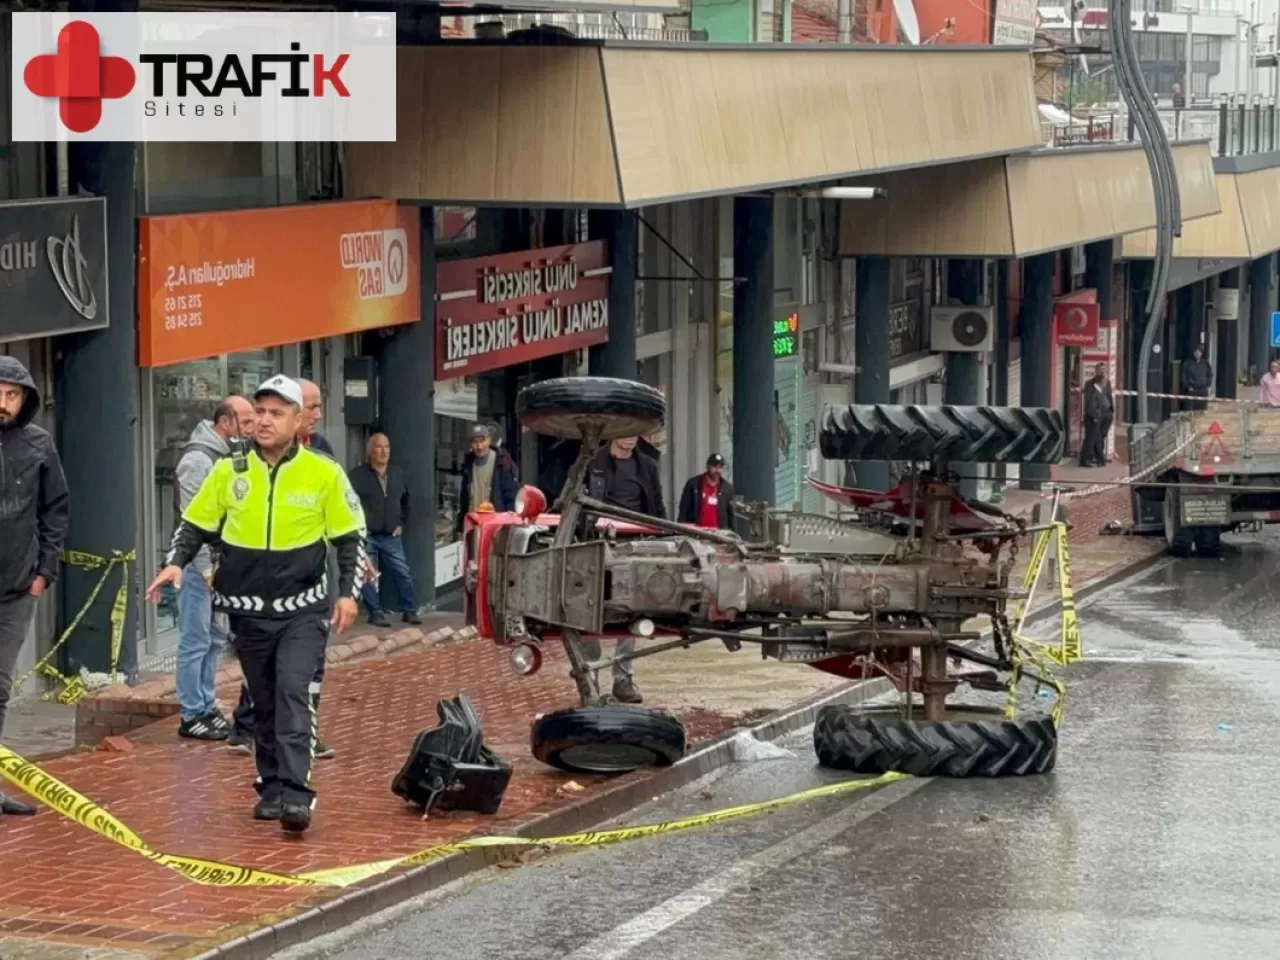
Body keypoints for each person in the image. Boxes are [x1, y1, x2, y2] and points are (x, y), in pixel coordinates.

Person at [146, 375, 367, 835]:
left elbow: (350, 537)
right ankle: (270, 787)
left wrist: (348, 593)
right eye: (259, 412)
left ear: (299, 420)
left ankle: (297, 794)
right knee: (263, 702)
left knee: (292, 693)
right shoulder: (229, 470)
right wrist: (176, 563)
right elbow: (195, 524)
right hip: (247, 610)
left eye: (276, 413)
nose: (264, 420)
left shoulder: (324, 472)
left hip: (303, 610)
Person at [0, 356, 69, 821]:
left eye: (12, 395)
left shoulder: (39, 444)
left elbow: (56, 510)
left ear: (25, 399)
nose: (3, 403)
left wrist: (44, 573)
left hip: (15, 590)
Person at [172, 395, 254, 741]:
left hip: (220, 565)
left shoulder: (229, 455)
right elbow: (195, 518)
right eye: (246, 421)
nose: (252, 427)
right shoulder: (198, 460)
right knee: (196, 638)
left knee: (217, 637)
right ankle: (191, 713)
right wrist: (207, 569)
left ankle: (206, 704)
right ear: (226, 423)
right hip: (197, 567)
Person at [586, 435, 666, 704]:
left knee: (630, 613)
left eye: (636, 432)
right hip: (597, 545)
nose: (631, 437)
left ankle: (623, 679)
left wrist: (664, 538)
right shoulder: (593, 461)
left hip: (634, 547)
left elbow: (657, 503)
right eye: (626, 430)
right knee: (588, 610)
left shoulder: (648, 466)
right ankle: (589, 679)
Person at [348, 433, 421, 627]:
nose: (383, 451)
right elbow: (348, 504)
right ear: (370, 451)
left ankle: (410, 610)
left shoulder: (397, 473)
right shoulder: (357, 475)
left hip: (391, 535)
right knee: (368, 574)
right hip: (367, 535)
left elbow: (407, 502)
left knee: (402, 572)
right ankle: (376, 612)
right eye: (379, 447)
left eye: (387, 447)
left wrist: (401, 524)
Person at [455, 423, 518, 533]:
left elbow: (511, 495)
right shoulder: (469, 464)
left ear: (489, 440)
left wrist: (509, 526)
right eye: (475, 442)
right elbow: (464, 497)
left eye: (482, 441)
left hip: (495, 526)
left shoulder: (502, 462)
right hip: (473, 524)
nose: (479, 446)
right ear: (470, 444)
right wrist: (461, 526)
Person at [677, 453, 736, 530]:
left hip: (719, 535)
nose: (717, 470)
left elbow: (731, 515)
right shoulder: (693, 484)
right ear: (708, 466)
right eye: (714, 467)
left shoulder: (727, 488)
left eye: (720, 467)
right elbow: (684, 510)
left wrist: (733, 534)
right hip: (696, 533)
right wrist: (681, 529)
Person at [1079, 364, 1114, 468]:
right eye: (1100, 370)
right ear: (1096, 371)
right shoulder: (1090, 384)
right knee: (1092, 437)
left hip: (1106, 414)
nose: (1103, 372)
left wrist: (1111, 411)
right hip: (1095, 414)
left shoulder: (1107, 382)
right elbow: (1090, 401)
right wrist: (1093, 415)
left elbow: (1108, 396)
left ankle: (1098, 457)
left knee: (1101, 436)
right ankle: (1089, 459)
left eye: (1104, 370)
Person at [297, 378, 336, 458]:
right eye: (311, 408)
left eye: (319, 407)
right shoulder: (268, 445)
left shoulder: (321, 445)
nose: (318, 415)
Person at [1180, 346, 1212, 411]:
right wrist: (1187, 386)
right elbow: (1183, 375)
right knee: (1190, 409)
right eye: (1196, 352)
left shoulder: (1205, 363)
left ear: (1201, 353)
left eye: (1199, 352)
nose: (1197, 354)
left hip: (1203, 390)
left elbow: (1210, 374)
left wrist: (1208, 384)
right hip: (1192, 390)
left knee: (1202, 410)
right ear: (1193, 353)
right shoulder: (1187, 363)